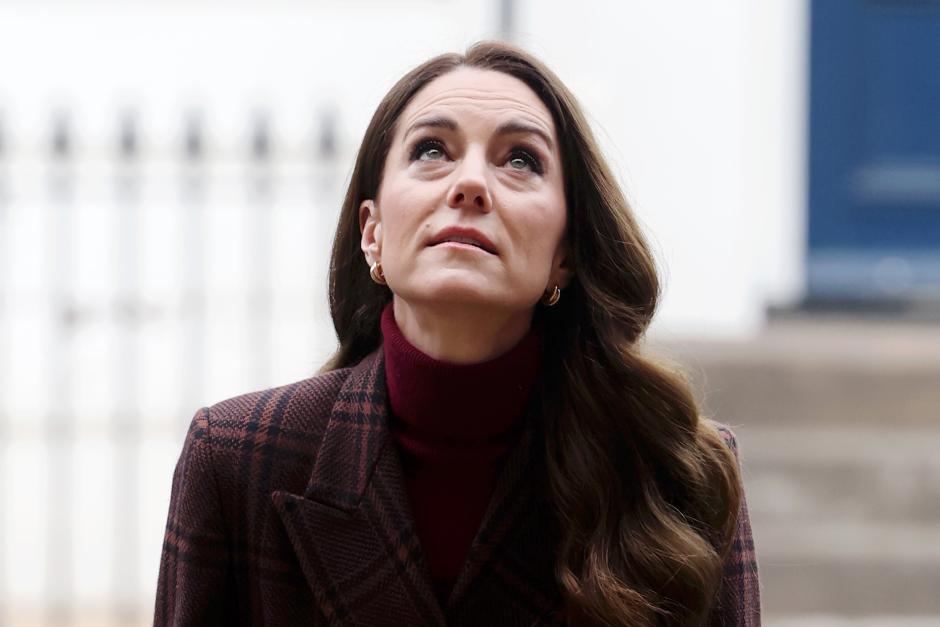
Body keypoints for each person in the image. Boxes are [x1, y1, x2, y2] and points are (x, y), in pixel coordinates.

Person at [154, 40, 761, 626]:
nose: (469, 184)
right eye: (431, 150)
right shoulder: (238, 463)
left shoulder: (676, 475)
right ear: (374, 233)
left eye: (520, 160)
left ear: (565, 255)